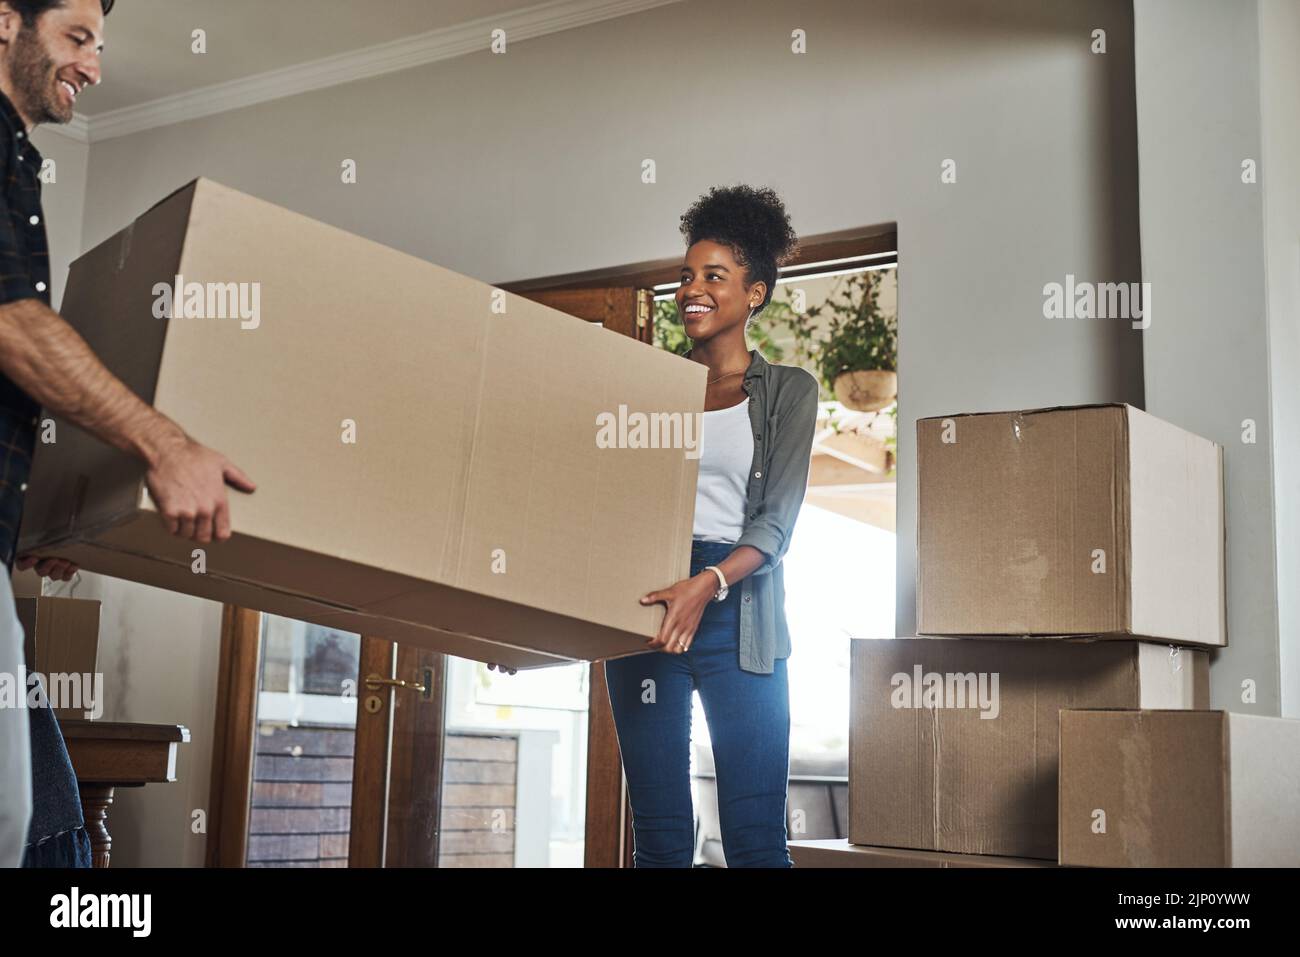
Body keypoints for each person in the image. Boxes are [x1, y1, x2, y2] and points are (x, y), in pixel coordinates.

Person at [0, 0, 255, 867]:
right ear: (6, 21)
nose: (96, 68)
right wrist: (166, 445)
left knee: (48, 826)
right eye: (76, 38)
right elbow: (14, 326)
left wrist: (35, 531)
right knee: (37, 828)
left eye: (99, 46)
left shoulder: (16, 161)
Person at [605, 184, 818, 867]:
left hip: (740, 614)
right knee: (661, 839)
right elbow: (601, 505)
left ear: (753, 293)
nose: (691, 289)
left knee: (756, 842)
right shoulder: (650, 386)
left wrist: (710, 582)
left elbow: (777, 521)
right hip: (650, 606)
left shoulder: (789, 391)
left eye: (713, 276)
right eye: (686, 276)